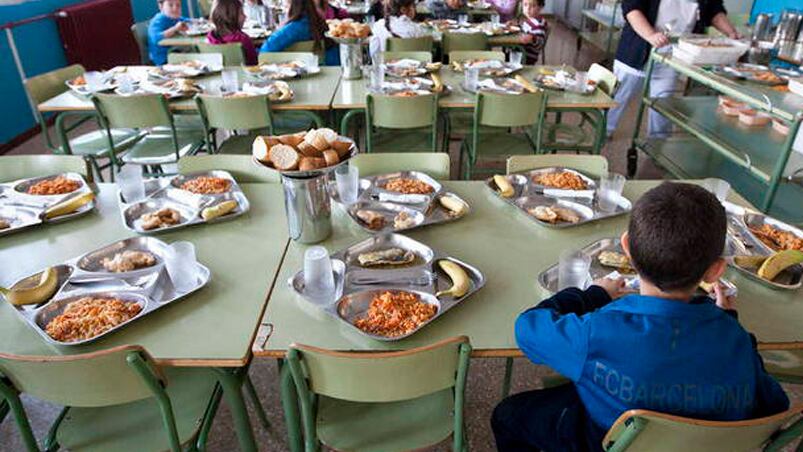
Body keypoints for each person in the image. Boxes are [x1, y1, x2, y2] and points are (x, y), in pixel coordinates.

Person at [492, 182, 789, 452]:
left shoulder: (597, 332)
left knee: (507, 415)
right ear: (714, 271)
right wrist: (728, 321)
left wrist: (593, 295)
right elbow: (774, 404)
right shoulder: (734, 340)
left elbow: (527, 328)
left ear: (627, 249)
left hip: (604, 438)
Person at [606, 0, 740, 138]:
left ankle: (657, 143)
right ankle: (603, 131)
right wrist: (650, 35)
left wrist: (731, 32)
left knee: (662, 102)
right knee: (618, 97)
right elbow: (632, 9)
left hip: (673, 54)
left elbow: (714, 11)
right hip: (637, 50)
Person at [260, 0, 340, 65]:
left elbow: (264, 53)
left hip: (293, 81)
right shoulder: (322, 25)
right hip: (328, 78)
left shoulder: (292, 29)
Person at [207, 0, 258, 65]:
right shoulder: (243, 39)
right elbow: (254, 63)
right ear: (231, 16)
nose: (245, 16)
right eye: (241, 13)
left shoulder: (210, 38)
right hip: (243, 74)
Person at [148, 0, 189, 65]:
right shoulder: (158, 20)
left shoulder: (175, 18)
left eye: (178, 5)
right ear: (161, 7)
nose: (175, 8)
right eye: (170, 5)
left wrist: (199, 21)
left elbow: (187, 21)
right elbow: (156, 39)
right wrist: (175, 28)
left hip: (176, 52)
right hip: (163, 58)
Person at [517, 0, 547, 64]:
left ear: (540, 8)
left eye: (533, 6)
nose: (528, 8)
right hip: (521, 52)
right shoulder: (530, 21)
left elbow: (540, 42)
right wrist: (515, 26)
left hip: (527, 56)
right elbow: (524, 30)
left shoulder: (538, 24)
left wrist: (533, 39)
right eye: (525, 5)